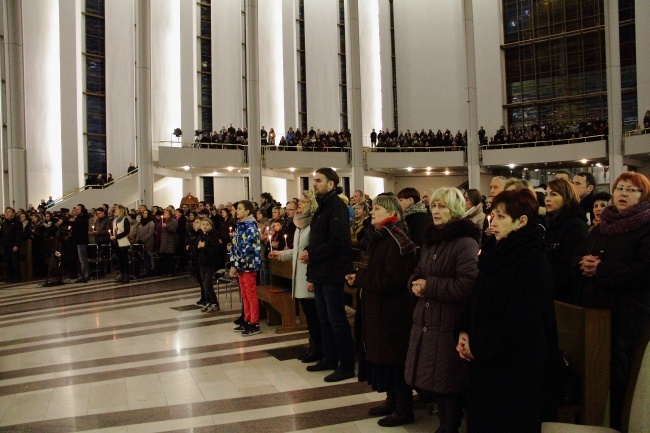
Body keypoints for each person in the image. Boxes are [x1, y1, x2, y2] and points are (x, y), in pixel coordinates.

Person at [455, 189, 558, 433]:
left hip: (514, 367)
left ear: (521, 221)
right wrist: (463, 330)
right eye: (493, 215)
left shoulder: (532, 259)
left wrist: (477, 344)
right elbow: (476, 297)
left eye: (502, 217)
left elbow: (522, 322)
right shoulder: (495, 250)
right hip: (487, 358)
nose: (494, 222)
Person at [404, 187, 480, 433]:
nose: (436, 211)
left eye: (442, 206)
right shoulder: (431, 240)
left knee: (449, 382)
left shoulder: (465, 243)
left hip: (448, 322)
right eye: (434, 206)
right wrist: (414, 283)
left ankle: (450, 427)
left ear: (455, 209)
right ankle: (445, 425)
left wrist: (430, 286)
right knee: (433, 381)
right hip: (428, 319)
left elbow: (468, 285)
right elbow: (419, 270)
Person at [578, 172, 650, 430]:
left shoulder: (646, 226)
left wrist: (602, 269)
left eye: (631, 190)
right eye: (619, 188)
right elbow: (588, 254)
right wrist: (584, 265)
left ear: (643, 196)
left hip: (628, 315)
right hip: (597, 313)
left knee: (623, 379)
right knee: (599, 376)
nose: (622, 193)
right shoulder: (604, 224)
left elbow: (644, 272)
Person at [345, 193, 418, 427]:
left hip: (393, 311)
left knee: (395, 359)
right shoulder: (381, 236)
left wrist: (362, 281)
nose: (372, 211)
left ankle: (403, 409)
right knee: (385, 358)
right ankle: (391, 400)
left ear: (391, 213)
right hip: (379, 308)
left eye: (377, 208)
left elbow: (392, 280)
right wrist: (360, 277)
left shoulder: (396, 239)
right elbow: (376, 271)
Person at [301, 168, 355, 383]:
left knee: (336, 320)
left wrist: (311, 254)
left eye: (318, 181)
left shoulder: (337, 206)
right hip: (321, 271)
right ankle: (329, 358)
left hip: (332, 271)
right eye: (314, 180)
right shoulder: (323, 206)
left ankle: (347, 365)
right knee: (324, 318)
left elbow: (337, 242)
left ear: (331, 184)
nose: (314, 184)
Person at [269, 190, 322, 363]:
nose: (299, 206)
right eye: (299, 203)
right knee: (308, 315)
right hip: (299, 275)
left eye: (303, 203)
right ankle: (312, 347)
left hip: (308, 276)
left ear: (312, 204)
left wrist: (311, 279)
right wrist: (282, 255)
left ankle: (318, 349)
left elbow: (313, 252)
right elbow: (299, 250)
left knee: (314, 317)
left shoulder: (314, 224)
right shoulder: (300, 225)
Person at [544, 179, 589, 305]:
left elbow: (572, 263)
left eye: (553, 194)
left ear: (566, 197)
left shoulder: (575, 225)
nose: (547, 199)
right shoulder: (553, 222)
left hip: (567, 293)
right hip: (554, 289)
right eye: (546, 195)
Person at [230, 200, 262, 336]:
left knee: (250, 294)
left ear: (247, 211)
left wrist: (237, 265)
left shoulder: (250, 227)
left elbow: (248, 249)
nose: (237, 211)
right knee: (244, 294)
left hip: (248, 265)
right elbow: (235, 245)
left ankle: (254, 322)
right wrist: (234, 262)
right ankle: (247, 319)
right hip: (240, 266)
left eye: (240, 209)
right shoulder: (240, 225)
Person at [197, 218, 221, 313]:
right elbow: (197, 247)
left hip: (210, 263)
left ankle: (215, 303)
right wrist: (198, 247)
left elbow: (215, 250)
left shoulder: (213, 236)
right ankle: (208, 302)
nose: (205, 226)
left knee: (208, 284)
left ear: (210, 226)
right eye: (203, 224)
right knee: (204, 284)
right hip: (202, 263)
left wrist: (204, 246)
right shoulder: (201, 236)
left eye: (207, 224)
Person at [110, 205, 131, 284]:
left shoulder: (125, 219)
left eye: (117, 209)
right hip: (116, 242)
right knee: (119, 260)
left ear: (121, 210)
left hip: (122, 242)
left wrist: (117, 236)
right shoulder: (115, 220)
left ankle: (126, 275)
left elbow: (126, 231)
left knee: (124, 259)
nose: (115, 210)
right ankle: (121, 274)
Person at [69, 204, 90, 283]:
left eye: (78, 209)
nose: (76, 210)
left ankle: (85, 275)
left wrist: (73, 221)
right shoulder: (78, 218)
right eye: (76, 209)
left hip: (82, 240)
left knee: (83, 259)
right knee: (80, 259)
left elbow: (80, 225)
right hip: (77, 240)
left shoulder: (83, 218)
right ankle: (83, 274)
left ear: (82, 210)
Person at [1, 207, 22, 283]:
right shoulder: (4, 222)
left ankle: (16, 277)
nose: (7, 213)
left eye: (9, 212)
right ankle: (9, 277)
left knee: (15, 262)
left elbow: (19, 235)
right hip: (6, 245)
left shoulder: (17, 222)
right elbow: (2, 233)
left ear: (13, 213)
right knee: (8, 261)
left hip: (13, 245)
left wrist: (16, 245)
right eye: (6, 212)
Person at [135, 209, 155, 277]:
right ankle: (144, 269)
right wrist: (138, 239)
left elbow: (150, 233)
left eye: (146, 213)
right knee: (142, 256)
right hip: (141, 243)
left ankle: (151, 269)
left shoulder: (151, 223)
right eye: (143, 213)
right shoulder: (141, 223)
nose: (144, 214)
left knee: (149, 255)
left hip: (148, 242)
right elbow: (138, 231)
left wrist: (142, 240)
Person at [159, 209, 178, 276]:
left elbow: (172, 229)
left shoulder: (173, 221)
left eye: (166, 213)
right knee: (165, 257)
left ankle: (171, 271)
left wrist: (166, 227)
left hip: (170, 241)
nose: (164, 214)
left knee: (169, 257)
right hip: (165, 241)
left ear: (170, 214)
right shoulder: (165, 221)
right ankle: (166, 271)